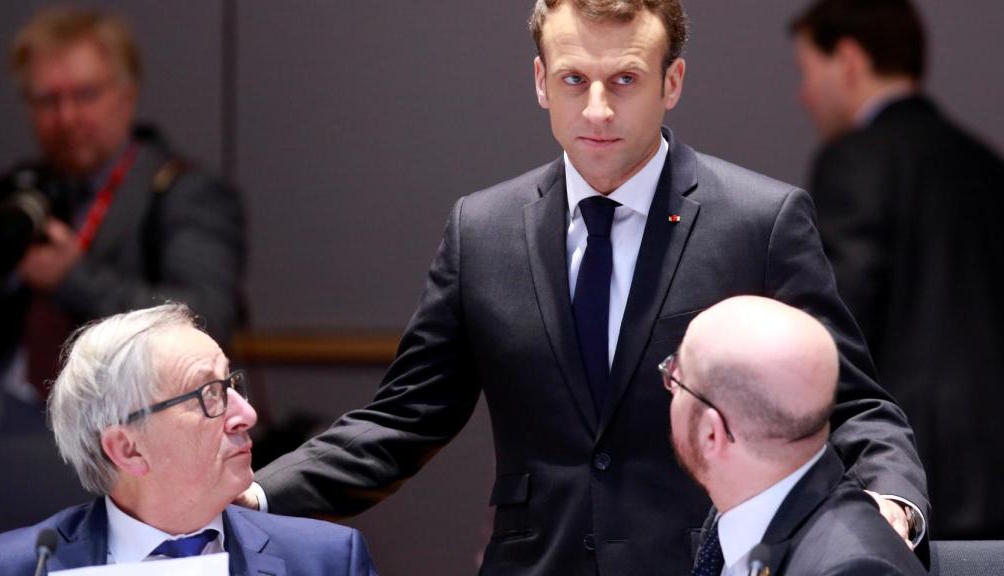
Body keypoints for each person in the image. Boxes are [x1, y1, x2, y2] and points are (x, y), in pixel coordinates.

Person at [244, 2, 928, 574]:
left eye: (625, 79)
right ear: (540, 81)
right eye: (575, 79)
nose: (597, 109)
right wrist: (251, 496)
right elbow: (401, 420)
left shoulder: (759, 221)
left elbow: (856, 403)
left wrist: (892, 501)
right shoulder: (482, 230)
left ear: (673, 81)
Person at [790, 0, 1004, 539]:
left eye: (807, 71)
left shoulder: (855, 157)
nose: (804, 93)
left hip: (913, 465)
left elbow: (838, 321)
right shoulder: (985, 163)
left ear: (849, 59)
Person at [0, 7, 245, 436]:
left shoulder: (183, 192)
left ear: (127, 94)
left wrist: (71, 278)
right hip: (2, 431)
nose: (66, 118)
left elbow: (206, 319)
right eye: (48, 100)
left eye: (85, 95)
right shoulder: (18, 196)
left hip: (127, 441)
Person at [0, 304, 378, 576]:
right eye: (209, 395)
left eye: (231, 384)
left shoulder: (326, 561)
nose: (247, 415)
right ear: (128, 448)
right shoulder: (13, 567)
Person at [668, 296, 926, 576]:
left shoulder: (854, 569)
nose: (669, 385)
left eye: (677, 381)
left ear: (711, 434)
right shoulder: (741, 515)